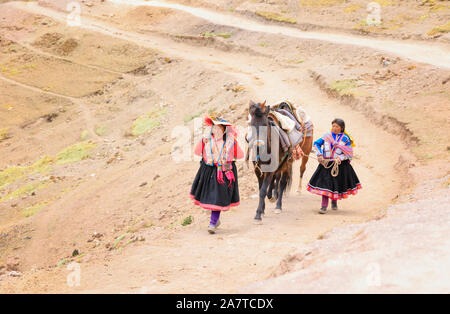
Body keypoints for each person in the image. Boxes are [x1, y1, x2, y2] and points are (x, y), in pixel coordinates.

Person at [190, 115, 244, 233]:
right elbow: (197, 152)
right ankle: (215, 219)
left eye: (219, 128)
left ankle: (212, 223)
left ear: (224, 129)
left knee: (217, 197)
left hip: (223, 173)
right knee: (211, 197)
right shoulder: (205, 139)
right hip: (208, 171)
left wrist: (228, 156)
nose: (216, 130)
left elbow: (240, 155)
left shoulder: (231, 141)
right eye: (215, 127)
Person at [307, 118, 362, 214]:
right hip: (326, 164)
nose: (334, 128)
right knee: (325, 185)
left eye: (337, 126)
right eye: (333, 126)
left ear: (341, 128)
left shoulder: (346, 139)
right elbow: (316, 144)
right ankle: (323, 206)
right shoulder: (327, 136)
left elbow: (349, 153)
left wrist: (340, 158)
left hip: (339, 166)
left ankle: (334, 201)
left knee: (336, 185)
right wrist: (319, 154)